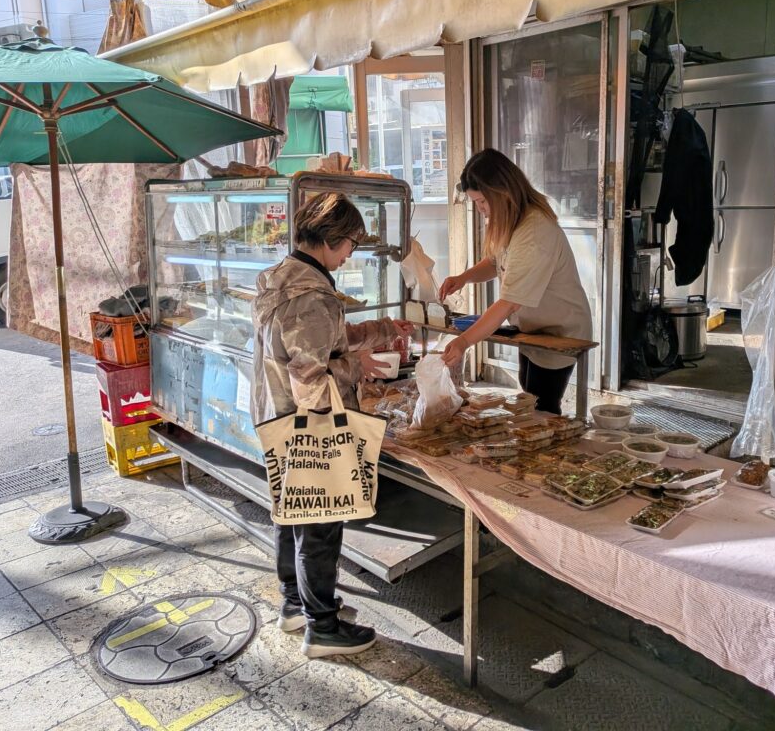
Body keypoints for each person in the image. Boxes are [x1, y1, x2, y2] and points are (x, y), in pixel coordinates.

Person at [252, 191, 413, 657]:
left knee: (291, 513)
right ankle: (321, 627)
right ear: (331, 239)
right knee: (320, 523)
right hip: (310, 423)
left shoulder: (282, 277)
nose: (349, 256)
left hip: (276, 415)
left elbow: (326, 340)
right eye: (349, 246)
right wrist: (358, 366)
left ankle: (295, 604)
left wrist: (383, 329)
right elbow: (310, 376)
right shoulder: (311, 296)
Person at [439, 149, 592, 415]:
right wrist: (464, 278)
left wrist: (464, 342)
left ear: (502, 192)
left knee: (542, 406)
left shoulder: (534, 231)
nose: (480, 209)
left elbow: (509, 303)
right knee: (529, 397)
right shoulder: (510, 219)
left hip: (560, 331)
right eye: (476, 202)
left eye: (482, 201)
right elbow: (495, 262)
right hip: (533, 328)